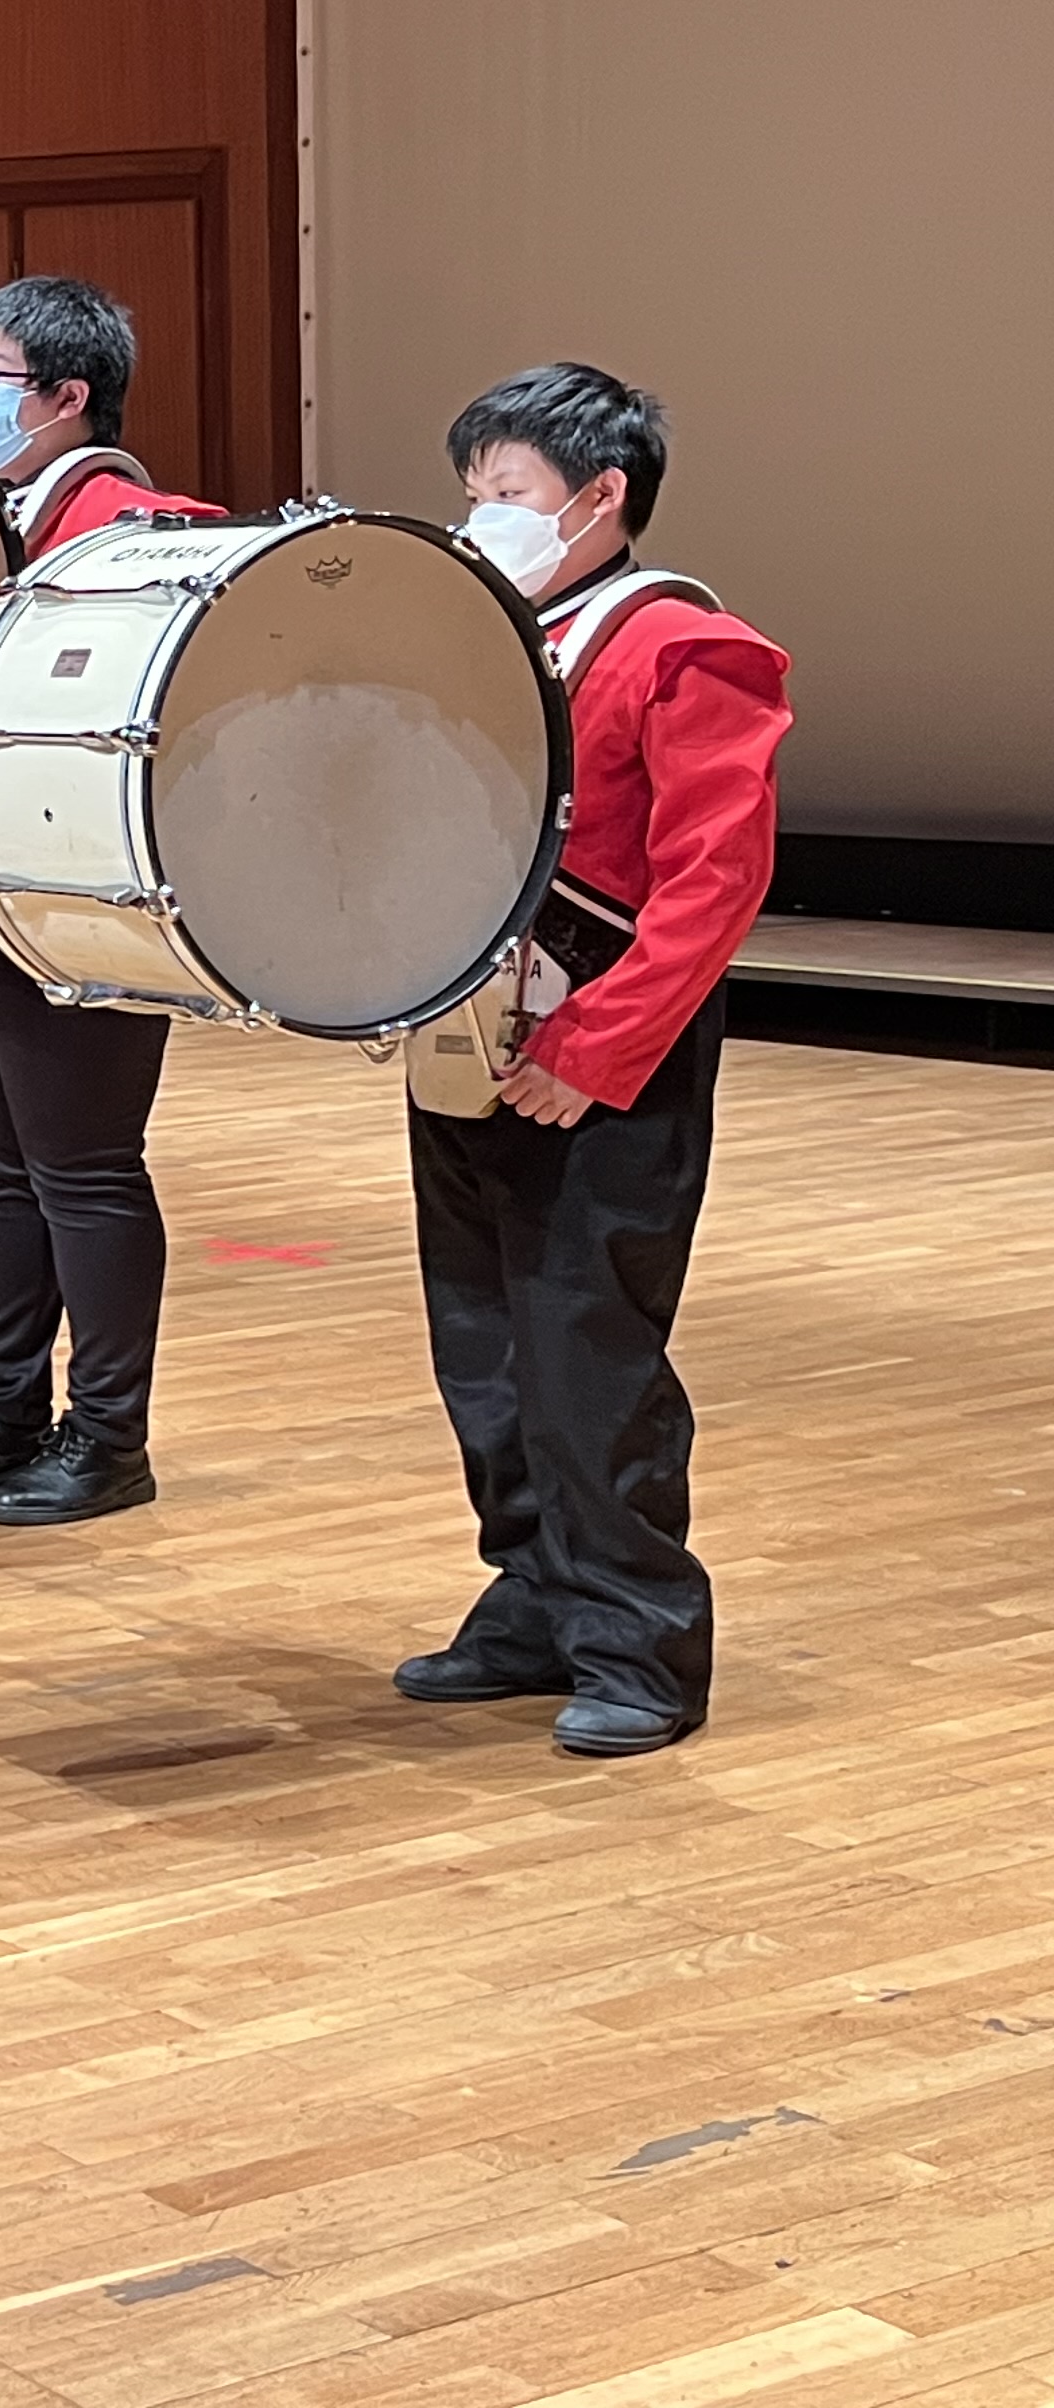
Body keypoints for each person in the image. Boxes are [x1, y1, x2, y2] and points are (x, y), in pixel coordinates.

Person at [397, 364, 787, 1758]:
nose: (482, 515)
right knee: (483, 1353)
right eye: (473, 492)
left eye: (508, 490)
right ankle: (532, 1602)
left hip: (608, 1062)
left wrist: (599, 1050)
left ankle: (637, 1641)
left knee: (586, 1356)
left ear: (601, 494)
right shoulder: (482, 635)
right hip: (469, 1041)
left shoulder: (684, 645)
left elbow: (714, 881)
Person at [0, 276, 222, 1526]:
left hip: (68, 888)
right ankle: (3, 1406)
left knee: (83, 1169)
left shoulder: (144, 535)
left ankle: (110, 1434)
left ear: (69, 397)